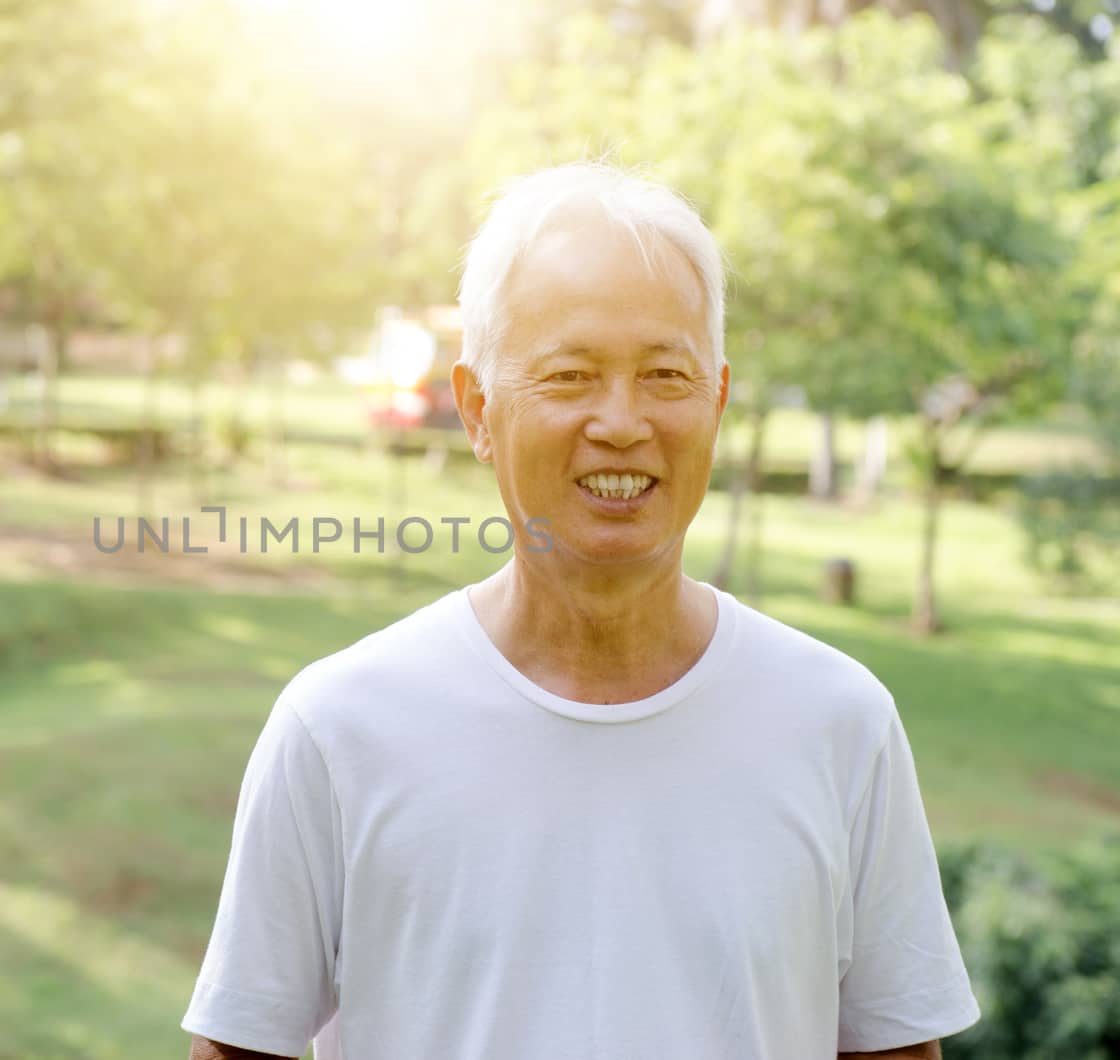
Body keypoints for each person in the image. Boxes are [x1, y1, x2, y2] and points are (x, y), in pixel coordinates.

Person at [181, 162, 980, 1059]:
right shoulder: (338, 729)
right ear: (478, 409)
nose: (622, 422)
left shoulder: (840, 724)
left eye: (665, 376)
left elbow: (895, 1048)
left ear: (716, 402)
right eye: (569, 376)